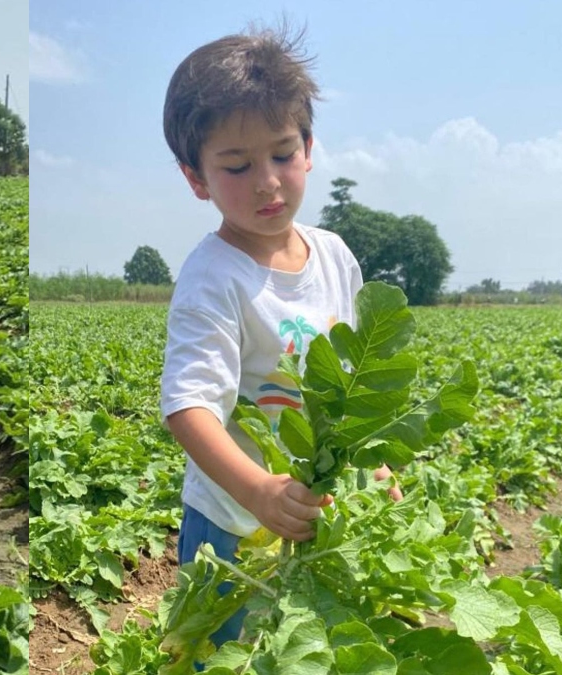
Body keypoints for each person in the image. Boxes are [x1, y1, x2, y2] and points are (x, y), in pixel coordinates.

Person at [158, 25, 399, 650]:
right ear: (196, 178)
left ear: (310, 148)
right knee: (231, 657)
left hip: (317, 519)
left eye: (282, 154)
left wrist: (373, 462)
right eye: (237, 166)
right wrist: (259, 490)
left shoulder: (335, 257)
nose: (267, 181)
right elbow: (188, 406)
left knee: (312, 652)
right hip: (233, 526)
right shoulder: (213, 276)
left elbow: (353, 388)